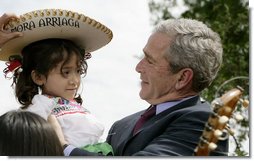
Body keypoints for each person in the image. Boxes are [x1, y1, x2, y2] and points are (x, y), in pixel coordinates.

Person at [54, 18, 228, 156]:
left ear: (182, 77)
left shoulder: (206, 124)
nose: (138, 67)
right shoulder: (121, 125)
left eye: (150, 60)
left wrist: (61, 147)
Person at [0, 9, 113, 156]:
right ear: (39, 77)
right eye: (66, 72)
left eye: (78, 71)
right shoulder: (40, 105)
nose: (75, 80)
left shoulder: (75, 106)